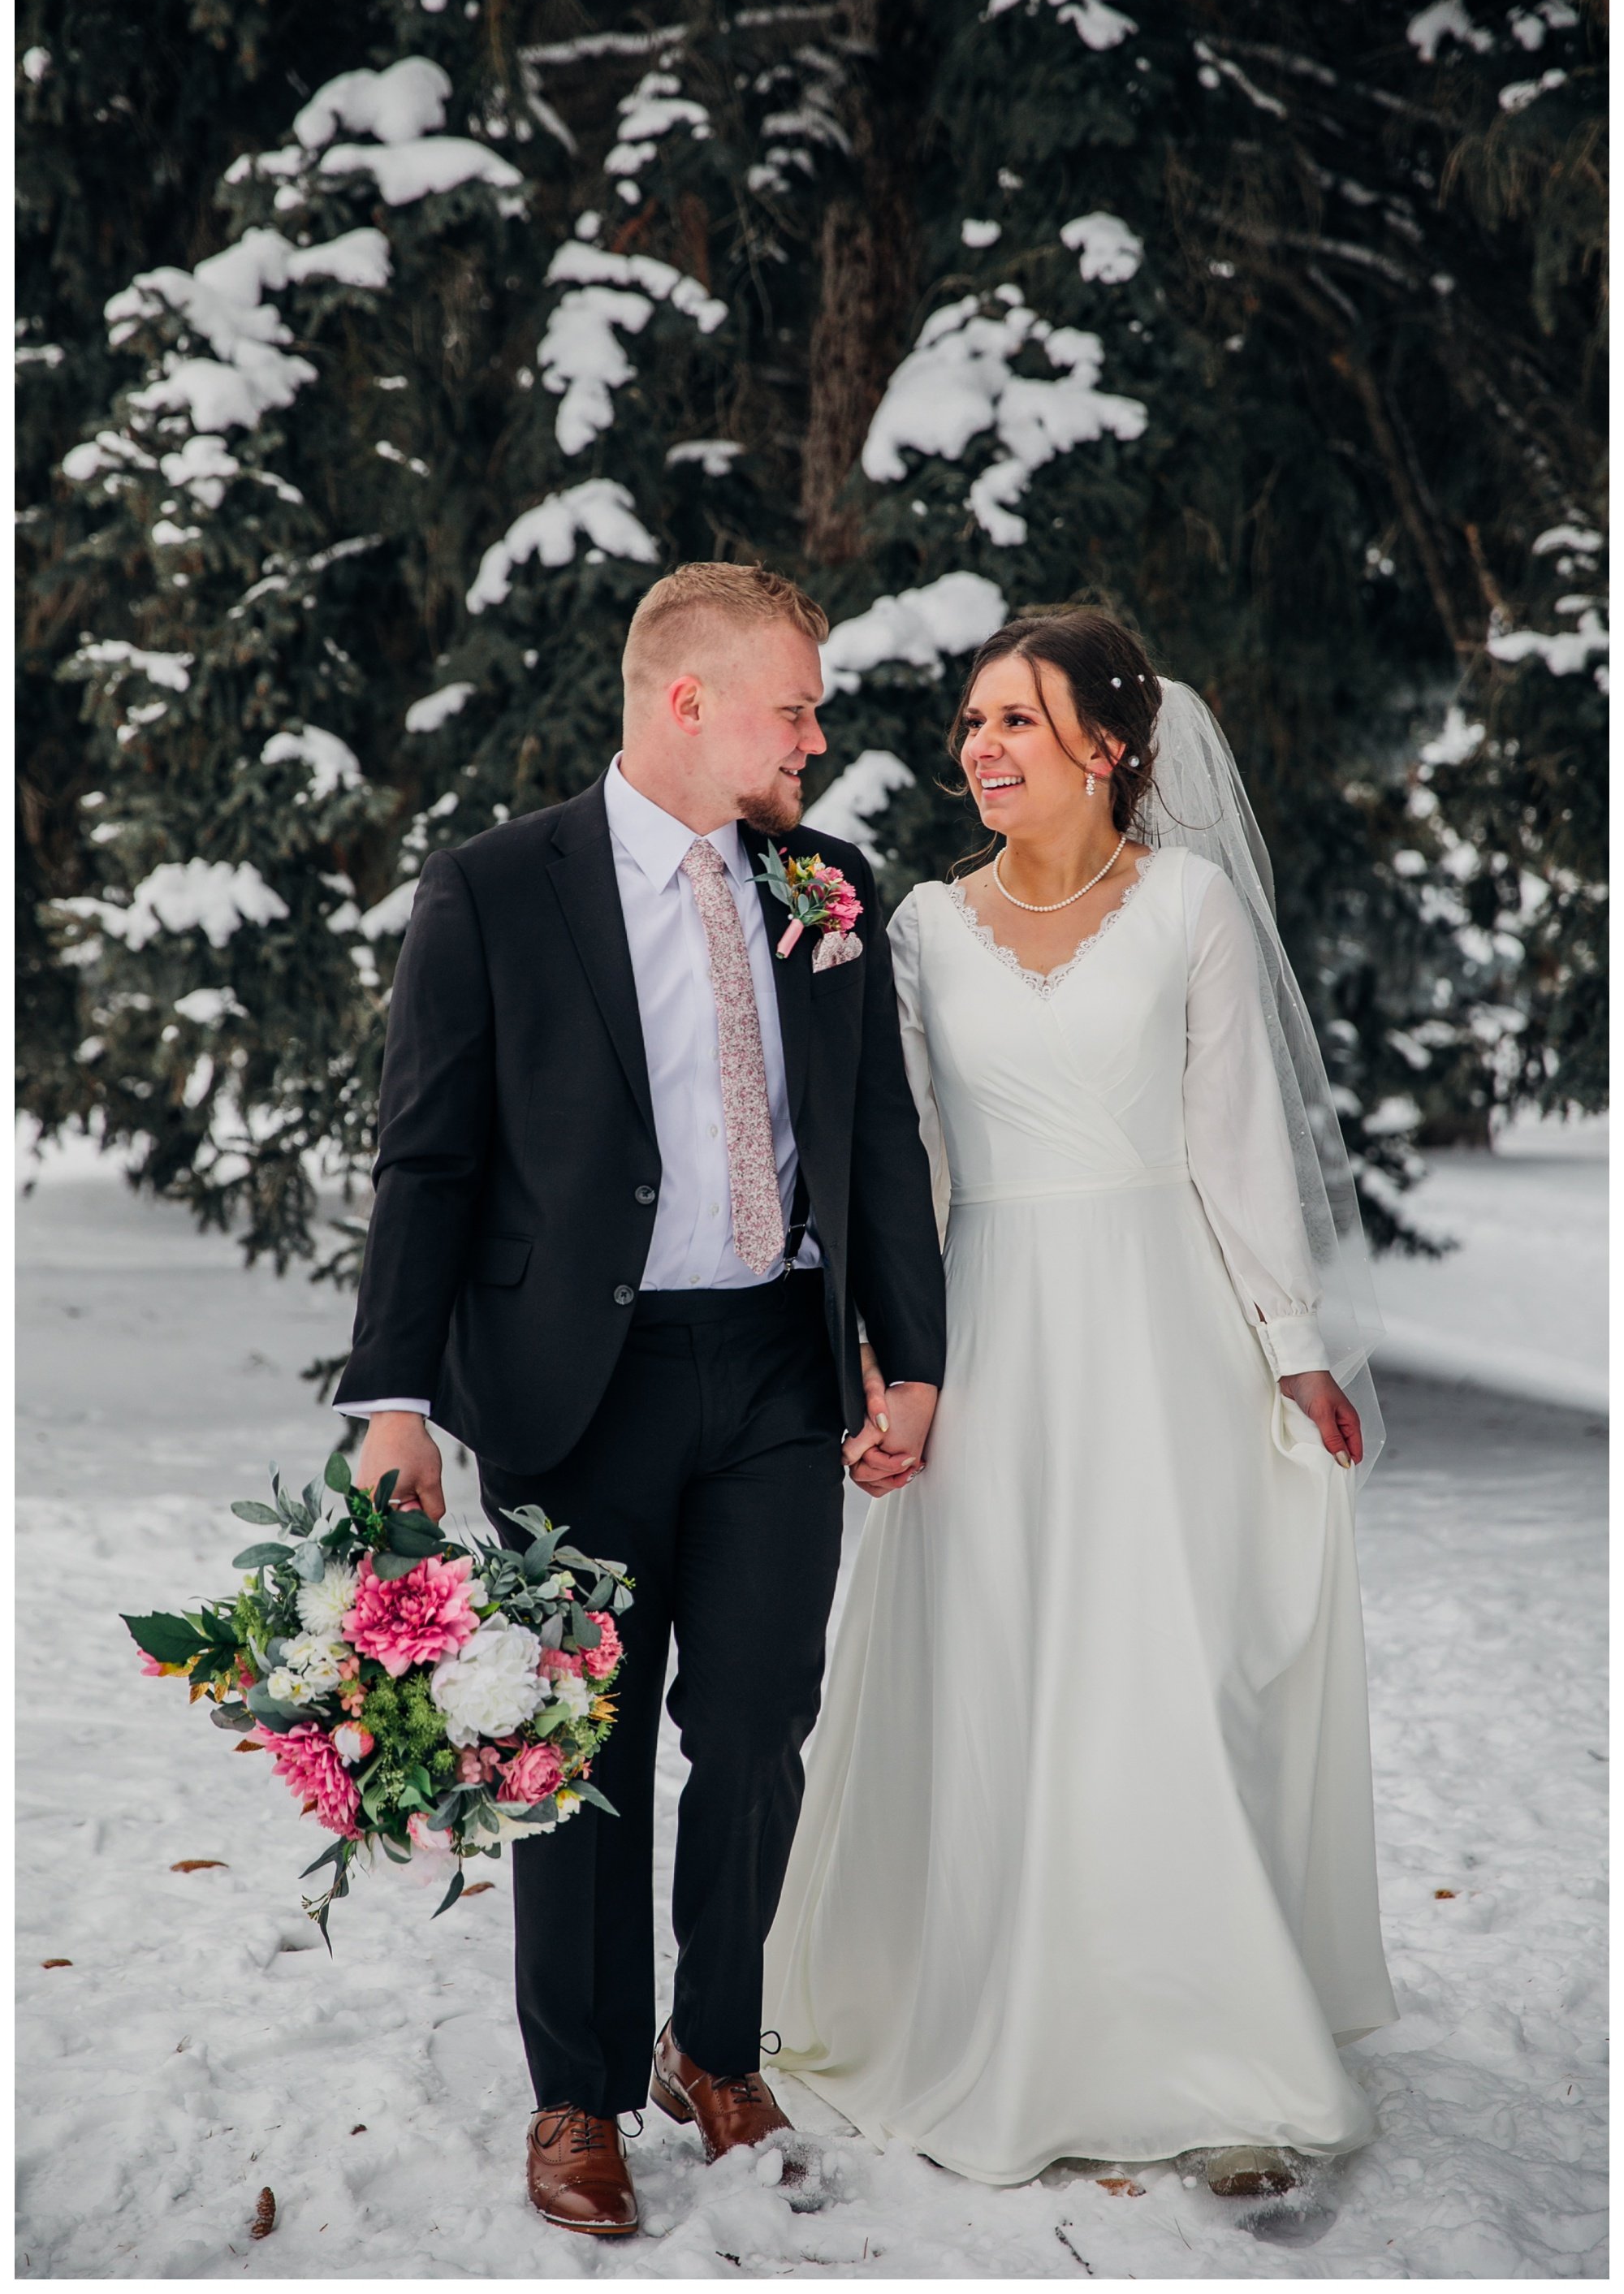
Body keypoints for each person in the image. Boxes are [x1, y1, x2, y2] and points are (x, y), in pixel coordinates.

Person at [332, 561, 945, 2236]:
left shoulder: (829, 887)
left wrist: (915, 1359)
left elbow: (873, 1143)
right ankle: (578, 2097)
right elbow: (428, 1159)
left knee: (754, 1733)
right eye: (793, 708)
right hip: (569, 1388)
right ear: (690, 704)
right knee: (575, 1749)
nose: (815, 737)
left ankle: (715, 2044)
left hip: (770, 1369)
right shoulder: (492, 889)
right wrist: (391, 1401)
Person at [764, 607, 1397, 2191]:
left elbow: (1237, 1142)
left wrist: (1292, 1343)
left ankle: (1217, 2054)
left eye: (1018, 723)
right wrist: (884, 1358)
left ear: (1108, 751)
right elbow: (893, 1167)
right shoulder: (912, 925)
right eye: (972, 722)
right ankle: (983, 2006)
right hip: (982, 1342)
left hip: (1161, 1330)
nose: (978, 747)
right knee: (993, 1669)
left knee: (1161, 1676)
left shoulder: (1189, 909)